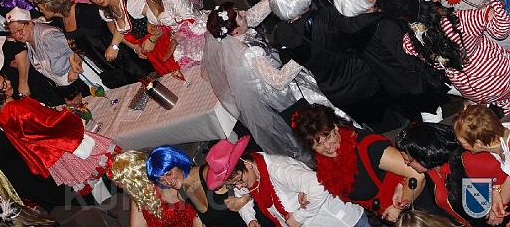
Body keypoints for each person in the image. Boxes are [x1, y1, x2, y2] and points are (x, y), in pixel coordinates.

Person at [205, 0, 343, 159]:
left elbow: (253, 15)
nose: (244, 12)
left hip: (280, 80)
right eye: (240, 16)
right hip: (283, 94)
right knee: (319, 111)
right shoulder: (249, 53)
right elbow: (278, 81)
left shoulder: (231, 36)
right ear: (235, 32)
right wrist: (303, 53)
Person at [378, 0, 510, 114]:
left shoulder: (410, 42)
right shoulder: (459, 21)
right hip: (500, 76)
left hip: (474, 91)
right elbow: (500, 31)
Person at [270, 0, 388, 128]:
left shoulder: (280, 34)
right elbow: (360, 32)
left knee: (371, 126)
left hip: (334, 91)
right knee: (389, 119)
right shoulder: (326, 17)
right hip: (362, 79)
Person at [332, 0, 447, 123]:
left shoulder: (349, 27)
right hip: (418, 86)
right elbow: (410, 59)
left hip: (395, 88)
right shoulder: (383, 26)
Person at [0, 72, 118, 195]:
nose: (8, 82)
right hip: (63, 146)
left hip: (52, 156)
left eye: (5, 79)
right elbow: (49, 125)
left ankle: (109, 207)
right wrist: (68, 111)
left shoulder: (0, 116)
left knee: (92, 182)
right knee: (109, 167)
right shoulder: (18, 107)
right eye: (3, 84)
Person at [292, 103, 425, 222]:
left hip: (419, 210)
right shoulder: (323, 163)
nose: (327, 147)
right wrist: (308, 191)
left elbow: (417, 174)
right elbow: (333, 185)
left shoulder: (368, 146)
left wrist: (398, 208)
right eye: (318, 144)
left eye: (328, 137)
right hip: (394, 219)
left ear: (336, 127)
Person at [206, 135, 370, 227]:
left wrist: (298, 217)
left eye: (239, 181)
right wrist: (250, 220)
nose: (239, 187)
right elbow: (242, 195)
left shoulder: (278, 169)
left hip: (342, 222)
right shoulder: (248, 175)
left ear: (247, 164)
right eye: (234, 184)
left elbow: (319, 185)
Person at [35, 0, 152, 87]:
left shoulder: (85, 12)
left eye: (41, 8)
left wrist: (132, 47)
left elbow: (118, 23)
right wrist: (75, 62)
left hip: (128, 62)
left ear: (49, 5)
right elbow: (80, 46)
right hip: (110, 69)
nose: (40, 11)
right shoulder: (60, 22)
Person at [395, 123, 507, 226]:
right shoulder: (431, 170)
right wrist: (401, 185)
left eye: (409, 160)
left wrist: (498, 204)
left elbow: (506, 173)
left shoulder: (466, 160)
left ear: (424, 155)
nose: (406, 164)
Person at [81, 0, 181, 77]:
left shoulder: (131, 3)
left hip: (167, 44)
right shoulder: (106, 10)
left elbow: (163, 18)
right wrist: (134, 47)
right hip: (153, 53)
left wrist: (152, 39)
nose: (98, 0)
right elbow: (119, 30)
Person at [116, 0, 206, 69]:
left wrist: (173, 41)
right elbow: (163, 17)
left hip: (199, 38)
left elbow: (192, 20)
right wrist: (152, 25)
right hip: (181, 43)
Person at [5, 6, 92, 105]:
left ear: (30, 23)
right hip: (68, 88)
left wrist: (74, 69)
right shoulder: (29, 42)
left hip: (83, 81)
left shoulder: (48, 37)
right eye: (13, 33)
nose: (17, 35)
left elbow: (80, 46)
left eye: (19, 30)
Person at [146, 145, 247, 227]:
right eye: (161, 180)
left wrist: (245, 199)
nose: (168, 182)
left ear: (178, 163)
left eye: (169, 174)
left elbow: (251, 180)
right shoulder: (182, 195)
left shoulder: (209, 173)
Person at [110, 150, 202, 227]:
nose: (166, 179)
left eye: (123, 185)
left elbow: (202, 217)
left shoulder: (176, 182)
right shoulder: (140, 197)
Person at [452, 104, 510, 202]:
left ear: (478, 143)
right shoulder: (498, 132)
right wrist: (496, 190)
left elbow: (504, 198)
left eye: (461, 142)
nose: (460, 145)